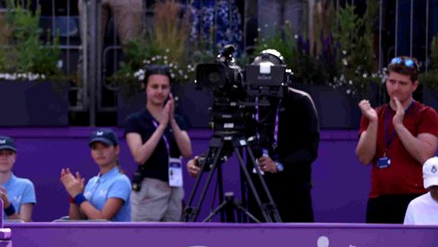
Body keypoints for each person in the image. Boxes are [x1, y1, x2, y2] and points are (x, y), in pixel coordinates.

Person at [186, 49, 320, 222]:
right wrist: (202, 162)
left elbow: (311, 149)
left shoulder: (300, 102)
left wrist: (279, 165)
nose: (264, 86)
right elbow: (228, 141)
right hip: (258, 191)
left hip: (294, 191)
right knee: (260, 245)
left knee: (298, 245)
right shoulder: (248, 102)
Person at [356, 56, 438, 224]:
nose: (395, 88)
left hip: (415, 198)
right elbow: (364, 157)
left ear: (414, 86)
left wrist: (399, 126)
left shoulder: (426, 114)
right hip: (379, 197)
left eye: (402, 83)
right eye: (391, 81)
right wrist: (373, 123)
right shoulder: (374, 115)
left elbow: (425, 155)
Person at [123, 65, 192, 222]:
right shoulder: (135, 121)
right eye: (154, 86)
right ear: (145, 87)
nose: (160, 91)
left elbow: (187, 151)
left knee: (173, 239)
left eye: (164, 87)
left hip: (174, 187)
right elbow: (139, 156)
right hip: (149, 188)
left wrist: (171, 121)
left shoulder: (178, 120)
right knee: (145, 238)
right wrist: (161, 126)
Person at [61, 127, 132, 221]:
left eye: (105, 146)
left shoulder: (121, 181)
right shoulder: (92, 182)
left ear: (116, 149)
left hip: (114, 236)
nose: (99, 151)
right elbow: (76, 221)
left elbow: (102, 220)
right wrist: (73, 197)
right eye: (95, 148)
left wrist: (78, 196)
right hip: (90, 236)